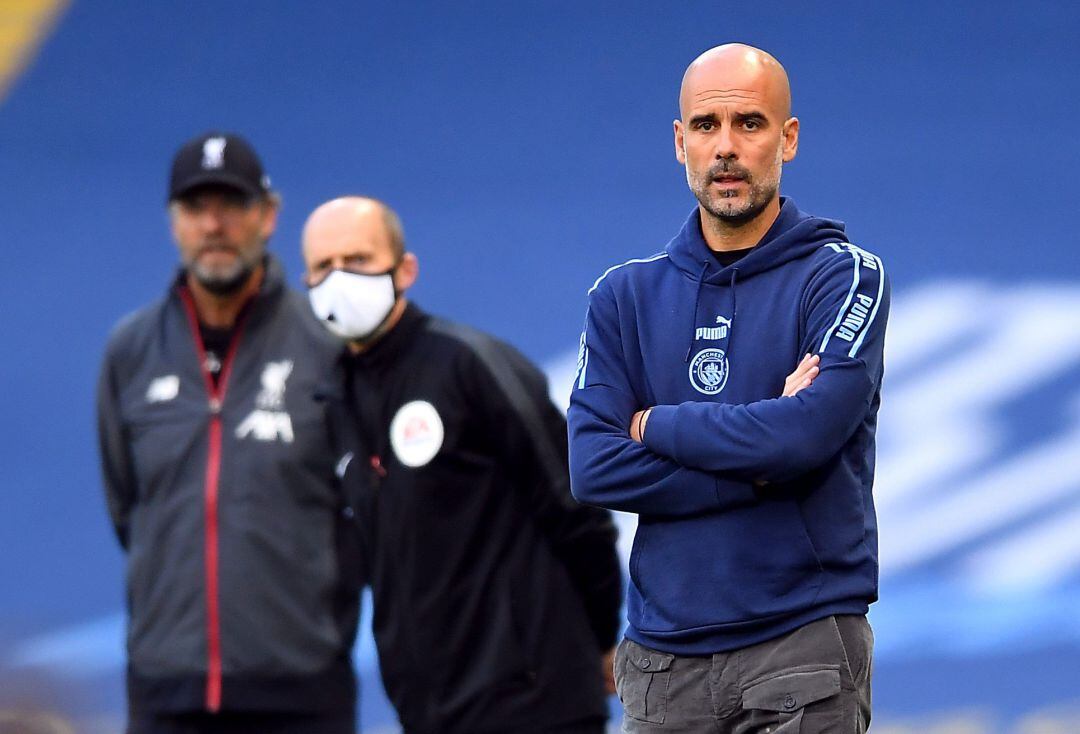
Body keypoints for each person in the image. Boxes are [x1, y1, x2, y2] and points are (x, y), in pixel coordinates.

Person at [567, 44, 888, 733]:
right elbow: (593, 466)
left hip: (800, 642)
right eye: (707, 127)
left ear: (788, 138)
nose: (727, 147)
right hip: (662, 663)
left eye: (750, 123)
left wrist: (655, 425)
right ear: (680, 142)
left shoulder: (842, 276)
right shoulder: (624, 295)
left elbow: (805, 436)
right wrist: (763, 461)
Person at [301, 196, 623, 734]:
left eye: (356, 259)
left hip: (535, 700)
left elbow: (575, 505)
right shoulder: (335, 398)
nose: (339, 279)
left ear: (405, 269)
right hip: (428, 710)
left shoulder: (470, 365)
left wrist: (601, 636)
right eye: (322, 266)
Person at [96, 132, 362, 734]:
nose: (213, 224)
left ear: (267, 216)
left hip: (303, 685)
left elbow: (364, 511)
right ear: (173, 222)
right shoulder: (131, 351)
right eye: (195, 208)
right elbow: (126, 506)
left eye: (232, 205)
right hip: (166, 687)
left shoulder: (326, 346)